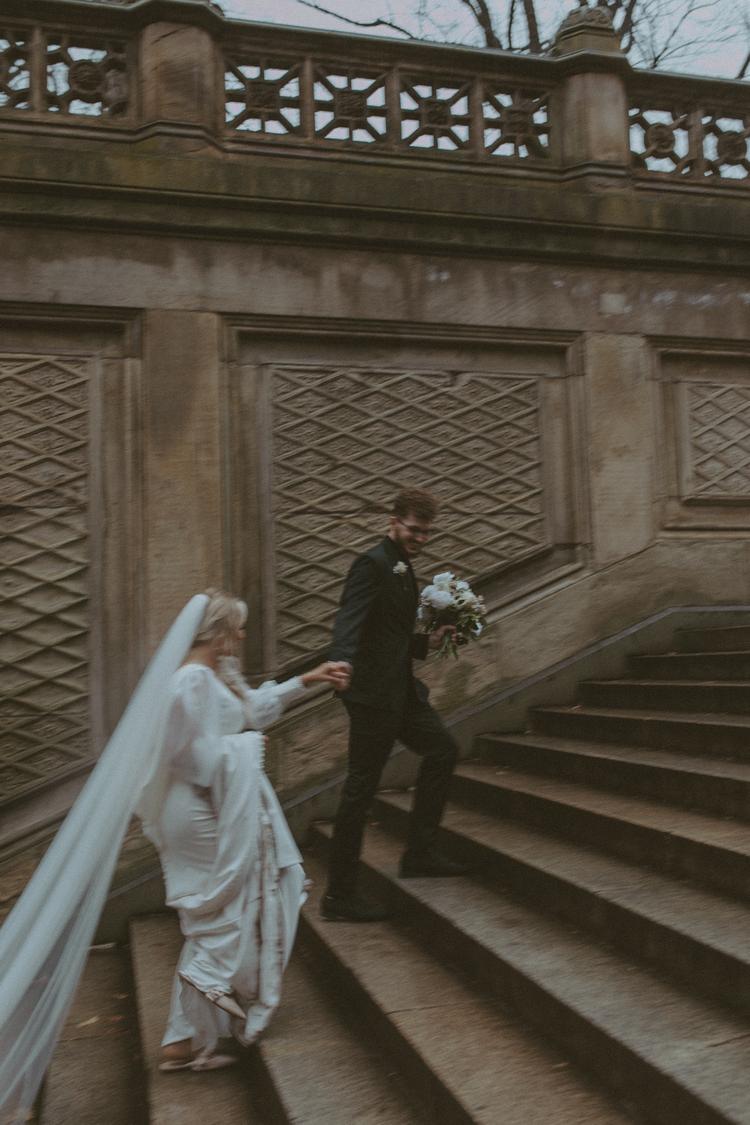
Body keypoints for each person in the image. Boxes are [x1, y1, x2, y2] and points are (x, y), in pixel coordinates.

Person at [153, 590, 350, 1072]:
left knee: (234, 905)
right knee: (226, 908)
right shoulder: (190, 681)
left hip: (218, 801)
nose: (242, 636)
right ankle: (189, 1022)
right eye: (237, 627)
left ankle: (184, 1036)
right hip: (200, 807)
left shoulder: (218, 676)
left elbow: (255, 710)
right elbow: (189, 758)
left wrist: (310, 678)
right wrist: (245, 749)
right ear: (217, 633)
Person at [322, 488, 467, 924]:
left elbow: (389, 635)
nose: (420, 539)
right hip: (371, 697)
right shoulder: (372, 564)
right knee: (359, 792)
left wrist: (430, 641)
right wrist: (341, 660)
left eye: (426, 533)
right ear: (393, 522)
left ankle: (419, 853)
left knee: (443, 750)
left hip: (400, 693)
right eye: (413, 530)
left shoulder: (404, 569)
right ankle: (339, 896)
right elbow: (350, 618)